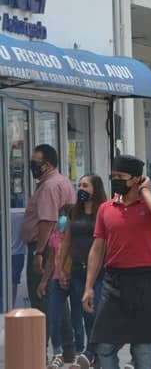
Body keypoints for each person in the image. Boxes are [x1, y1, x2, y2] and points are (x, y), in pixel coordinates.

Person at [82, 155, 151, 369]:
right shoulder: (106, 208)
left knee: (142, 350)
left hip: (144, 281)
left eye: (121, 176)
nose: (116, 180)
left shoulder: (150, 205)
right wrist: (88, 287)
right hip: (114, 282)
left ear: (137, 179)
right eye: (113, 176)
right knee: (103, 346)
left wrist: (145, 191)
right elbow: (96, 248)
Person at [21, 144, 76, 362]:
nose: (32, 166)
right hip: (60, 248)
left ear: (48, 164)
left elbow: (47, 221)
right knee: (58, 300)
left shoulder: (48, 187)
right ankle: (68, 349)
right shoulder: (63, 182)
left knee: (41, 298)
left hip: (44, 248)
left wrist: (38, 253)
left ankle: (40, 351)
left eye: (36, 163)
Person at [58, 174, 108, 369]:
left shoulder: (103, 212)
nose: (81, 189)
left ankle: (91, 352)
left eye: (85, 186)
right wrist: (61, 268)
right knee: (85, 313)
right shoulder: (74, 213)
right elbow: (67, 241)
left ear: (95, 189)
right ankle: (95, 354)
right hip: (78, 269)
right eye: (79, 185)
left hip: (99, 270)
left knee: (95, 311)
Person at [38, 204, 74, 369]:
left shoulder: (75, 238)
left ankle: (80, 352)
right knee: (54, 318)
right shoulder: (54, 237)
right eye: (60, 215)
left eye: (65, 215)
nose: (61, 219)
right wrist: (44, 281)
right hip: (56, 280)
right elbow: (52, 260)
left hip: (73, 280)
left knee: (77, 319)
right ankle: (57, 353)